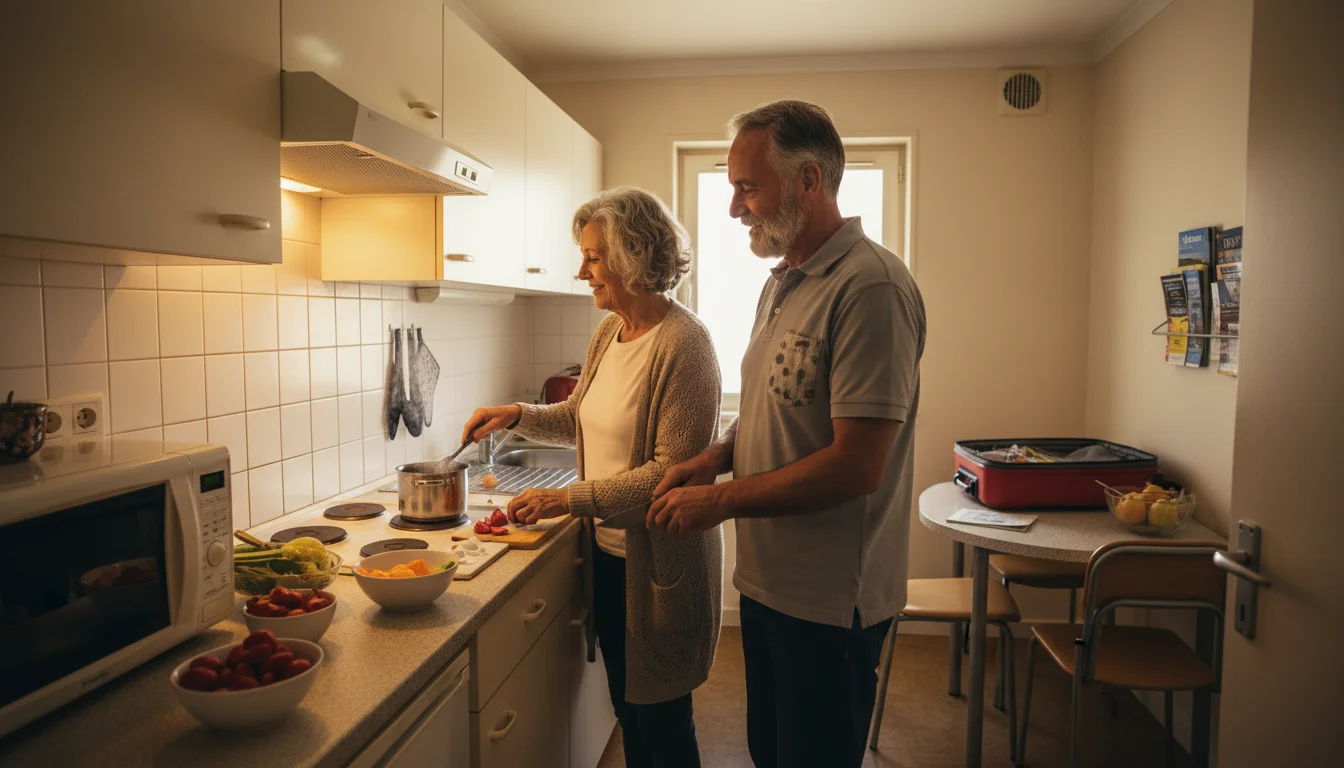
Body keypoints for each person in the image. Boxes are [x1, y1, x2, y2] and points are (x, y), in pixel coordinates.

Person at [648, 100, 926, 768]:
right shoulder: (784, 283)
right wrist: (717, 457)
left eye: (748, 187)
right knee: (770, 753)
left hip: (830, 600)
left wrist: (718, 503)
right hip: (770, 584)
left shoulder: (871, 287)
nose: (734, 209)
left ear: (809, 181)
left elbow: (857, 466)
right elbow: (781, 406)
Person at [461, 187, 723, 768]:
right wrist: (519, 414)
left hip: (658, 568)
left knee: (662, 723)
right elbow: (581, 413)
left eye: (593, 257)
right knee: (629, 713)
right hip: (607, 557)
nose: (582, 271)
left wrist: (567, 499)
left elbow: (667, 477)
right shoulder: (610, 332)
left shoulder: (687, 344)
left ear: (631, 256)